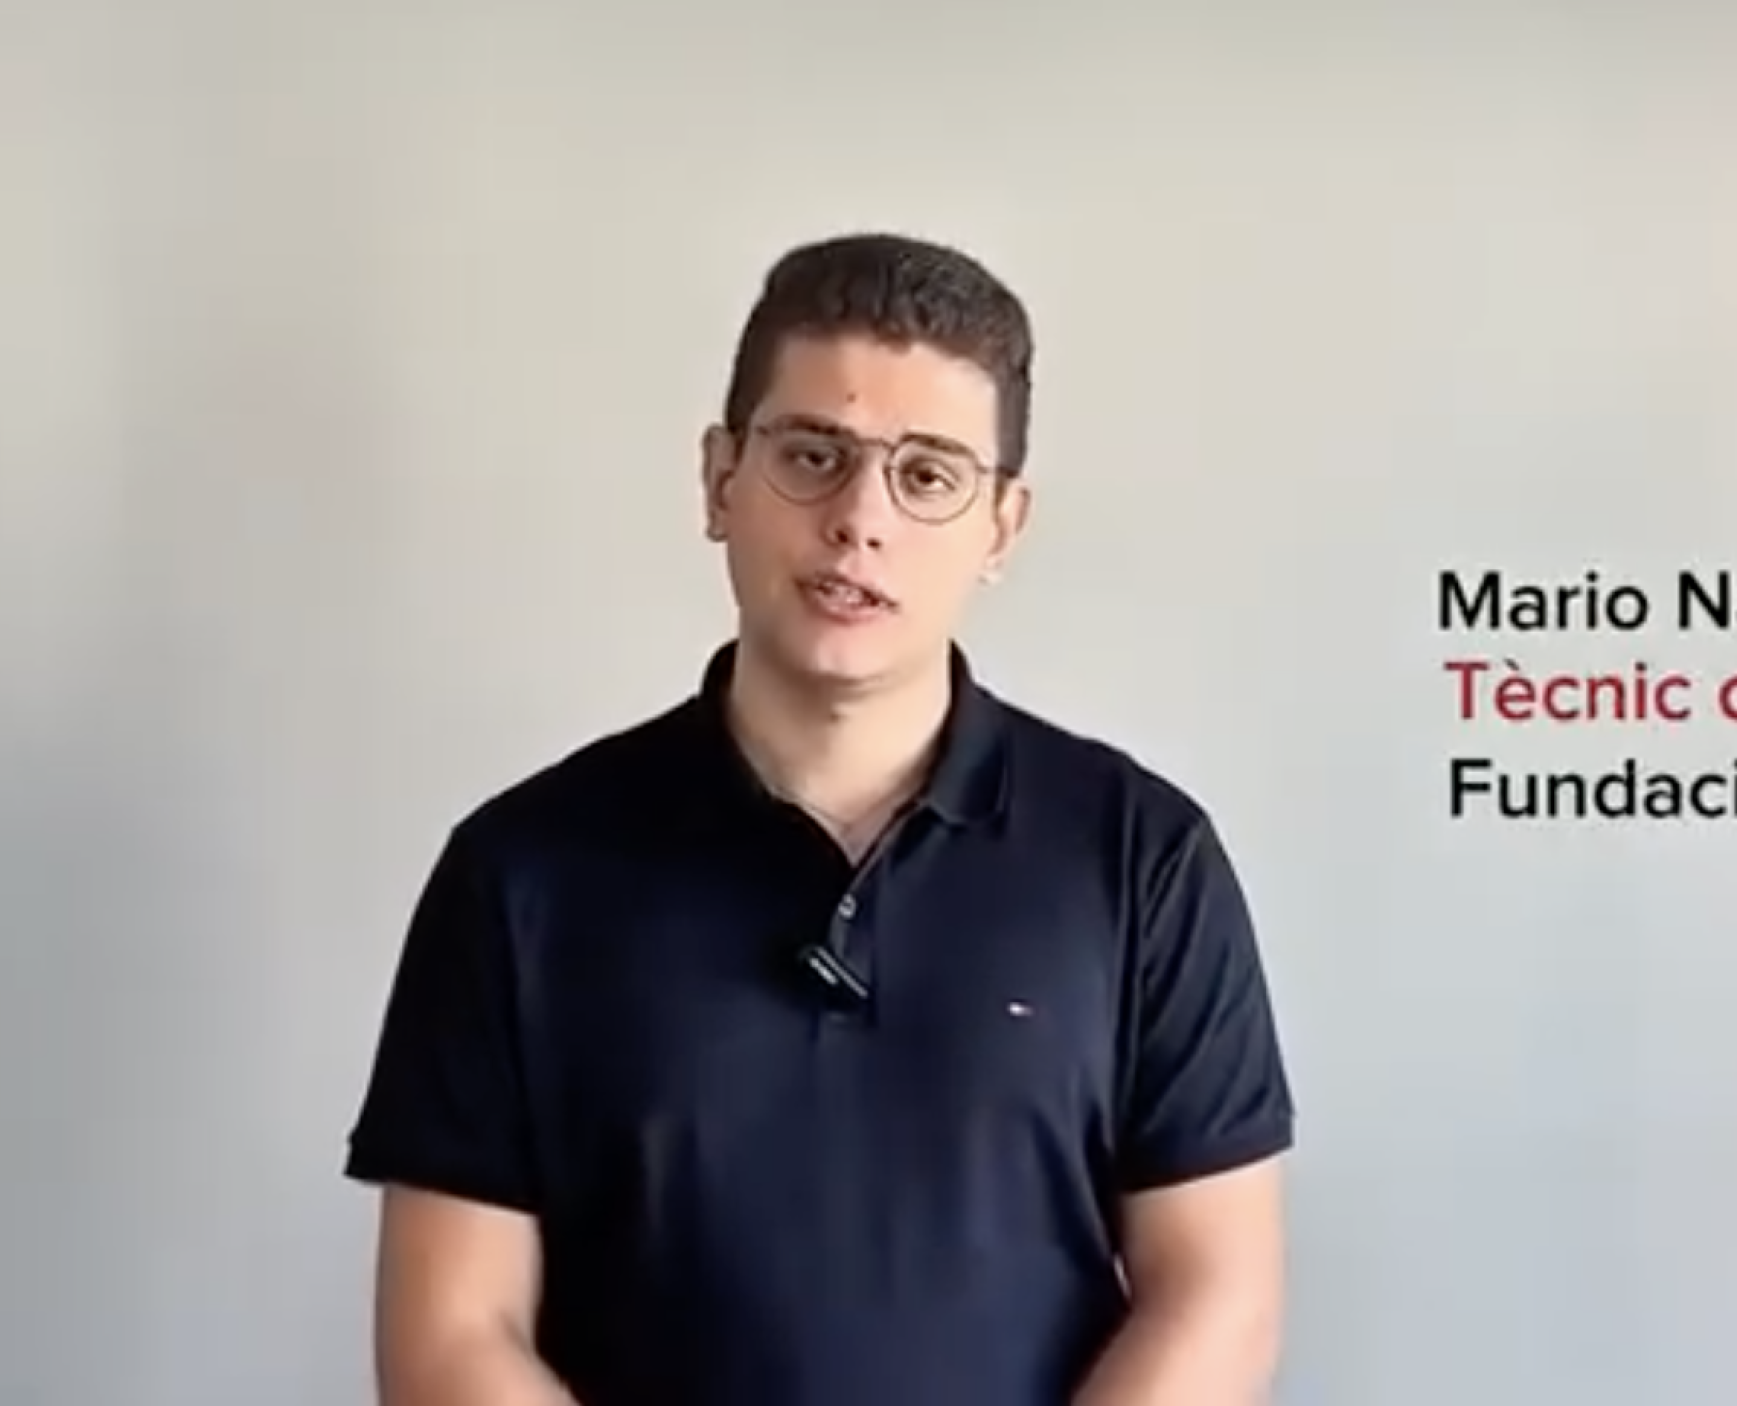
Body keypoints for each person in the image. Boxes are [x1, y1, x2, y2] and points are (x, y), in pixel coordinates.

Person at [343, 232, 1297, 1405]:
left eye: (927, 475)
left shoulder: (1141, 858)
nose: (858, 519)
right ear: (720, 479)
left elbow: (1216, 1294)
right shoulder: (520, 872)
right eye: (812, 455)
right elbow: (452, 1331)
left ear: (1001, 525)